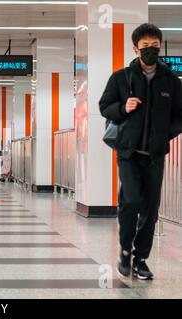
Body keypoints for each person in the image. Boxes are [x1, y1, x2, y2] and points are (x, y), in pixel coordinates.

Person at [99, 23, 182, 280]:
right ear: (135, 48)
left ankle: (141, 259)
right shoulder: (121, 78)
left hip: (155, 156)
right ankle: (124, 249)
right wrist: (123, 107)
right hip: (128, 153)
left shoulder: (171, 81)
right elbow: (105, 107)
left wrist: (164, 135)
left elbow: (180, 115)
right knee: (131, 202)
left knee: (150, 209)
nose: (150, 51)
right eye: (145, 47)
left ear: (159, 47)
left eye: (154, 47)